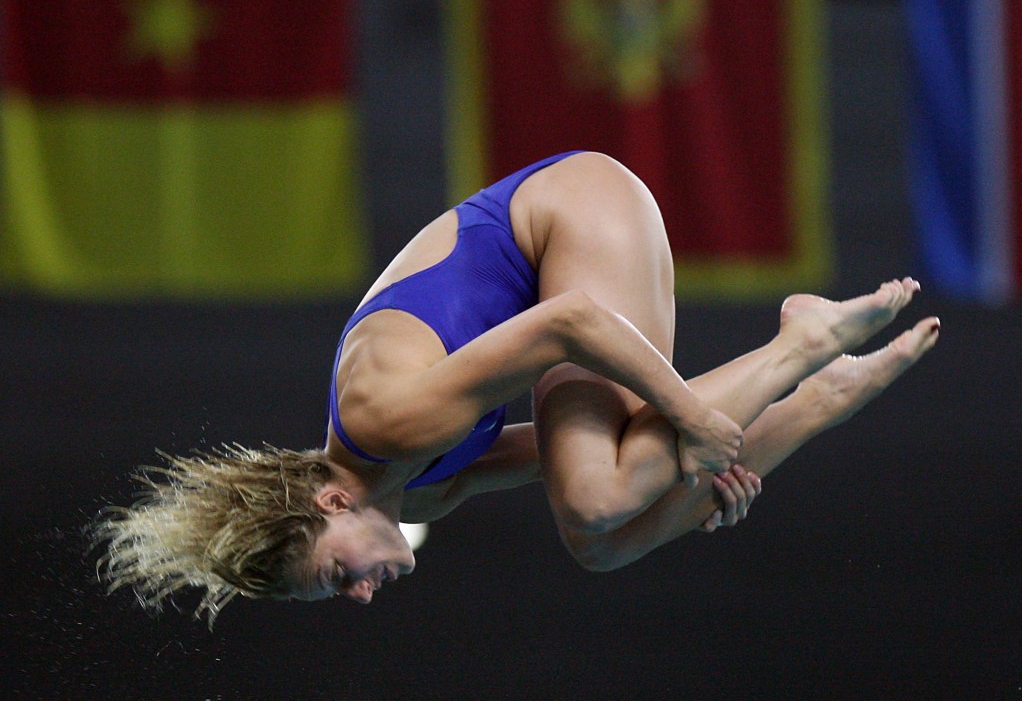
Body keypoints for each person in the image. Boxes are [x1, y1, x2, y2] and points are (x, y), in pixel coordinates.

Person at [93, 151, 940, 624]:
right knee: (600, 537)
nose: (357, 594)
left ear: (327, 506)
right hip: (562, 281)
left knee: (600, 495)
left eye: (332, 574)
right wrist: (698, 474)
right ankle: (822, 395)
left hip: (576, 213)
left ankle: (806, 341)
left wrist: (687, 417)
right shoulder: (424, 490)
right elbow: (582, 455)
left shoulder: (382, 421)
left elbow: (570, 322)